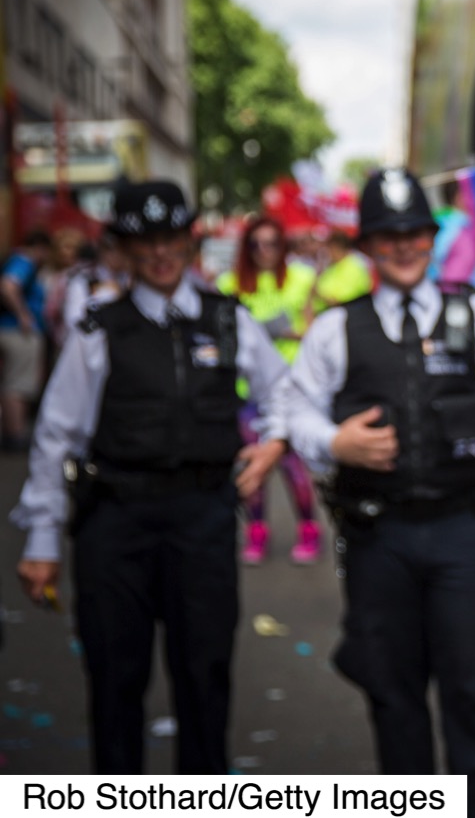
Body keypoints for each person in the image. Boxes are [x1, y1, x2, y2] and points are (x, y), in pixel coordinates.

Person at [277, 166, 475, 818]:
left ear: (430, 239)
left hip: (463, 529)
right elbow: (293, 410)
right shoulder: (336, 329)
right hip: (379, 536)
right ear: (368, 246)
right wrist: (334, 442)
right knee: (393, 691)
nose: (403, 246)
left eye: (414, 233)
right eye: (388, 236)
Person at [9, 180, 291, 772]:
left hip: (203, 520)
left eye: (171, 238)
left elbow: (284, 394)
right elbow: (55, 435)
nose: (160, 253)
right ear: (123, 248)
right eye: (145, 241)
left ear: (190, 241)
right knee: (115, 680)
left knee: (205, 676)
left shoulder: (228, 319)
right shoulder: (96, 329)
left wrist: (274, 442)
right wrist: (41, 540)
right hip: (115, 523)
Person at [218, 217, 321, 565]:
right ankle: (256, 530)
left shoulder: (302, 278)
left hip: (291, 388)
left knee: (293, 465)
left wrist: (281, 334)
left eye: (272, 243)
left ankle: (309, 527)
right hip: (248, 393)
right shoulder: (229, 284)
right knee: (252, 463)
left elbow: (312, 328)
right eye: (256, 244)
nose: (264, 251)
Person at [0, 230, 54, 453]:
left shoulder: (17, 260)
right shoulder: (24, 261)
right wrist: (23, 314)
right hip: (18, 332)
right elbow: (8, 286)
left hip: (11, 329)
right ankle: (15, 436)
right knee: (17, 385)